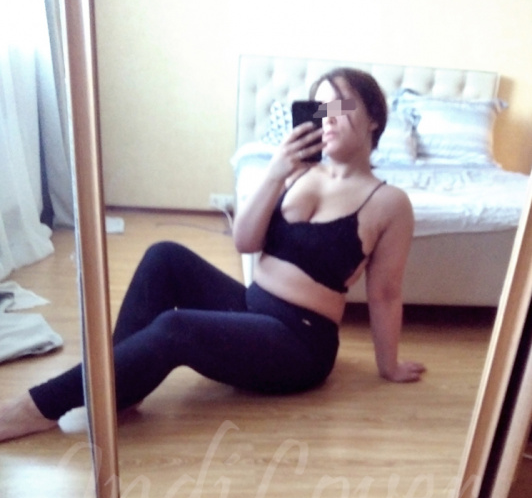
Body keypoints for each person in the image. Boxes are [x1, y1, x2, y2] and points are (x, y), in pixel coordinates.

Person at [0, 67, 425, 443]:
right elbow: (245, 241)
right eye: (320, 108)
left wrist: (388, 366)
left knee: (176, 328)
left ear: (373, 117)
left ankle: (36, 407)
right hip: (252, 306)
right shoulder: (298, 172)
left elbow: (385, 293)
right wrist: (275, 172)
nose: (328, 117)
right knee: (164, 256)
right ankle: (116, 387)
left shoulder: (388, 203)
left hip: (300, 343)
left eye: (341, 106)